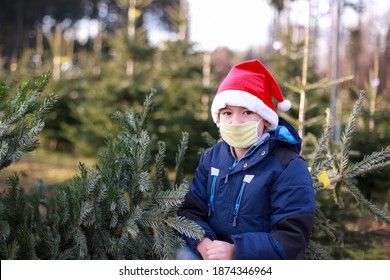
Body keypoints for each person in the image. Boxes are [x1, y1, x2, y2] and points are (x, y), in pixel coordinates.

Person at [176, 59, 316, 260]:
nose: (235, 122)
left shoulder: (287, 166)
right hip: (211, 254)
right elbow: (190, 211)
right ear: (218, 118)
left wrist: (236, 251)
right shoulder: (212, 158)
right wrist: (203, 242)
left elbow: (292, 236)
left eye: (247, 112)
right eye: (227, 113)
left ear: (266, 119)